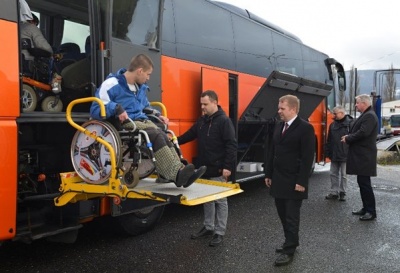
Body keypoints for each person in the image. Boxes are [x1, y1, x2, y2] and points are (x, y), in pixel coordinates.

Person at [90, 54, 205, 188]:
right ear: (140, 71)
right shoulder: (112, 84)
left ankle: (180, 170)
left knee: (163, 133)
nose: (148, 78)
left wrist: (157, 114)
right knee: (155, 135)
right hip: (125, 122)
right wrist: (116, 108)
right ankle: (175, 174)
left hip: (140, 120)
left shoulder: (139, 87)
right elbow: (96, 108)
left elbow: (145, 107)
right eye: (148, 74)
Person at [178, 90, 237, 247]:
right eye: (201, 104)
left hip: (219, 169)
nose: (202, 107)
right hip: (204, 168)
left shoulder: (224, 121)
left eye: (205, 104)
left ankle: (219, 232)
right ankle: (208, 227)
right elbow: (189, 135)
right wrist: (174, 141)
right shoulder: (202, 121)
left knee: (220, 200)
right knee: (207, 199)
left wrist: (227, 167)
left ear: (214, 102)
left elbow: (231, 144)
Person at [264, 95, 315, 266]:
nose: (279, 111)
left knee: (292, 216)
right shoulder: (279, 126)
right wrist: (268, 173)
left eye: (282, 108)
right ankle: (290, 241)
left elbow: (307, 158)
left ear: (293, 109)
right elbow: (273, 151)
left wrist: (302, 182)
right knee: (282, 214)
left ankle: (289, 250)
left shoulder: (305, 128)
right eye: (279, 108)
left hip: (294, 181)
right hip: (278, 179)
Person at [341, 94, 378, 221]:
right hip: (362, 155)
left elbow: (363, 133)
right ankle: (366, 207)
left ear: (364, 103)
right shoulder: (367, 115)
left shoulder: (369, 116)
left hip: (364, 156)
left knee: (365, 184)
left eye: (357, 103)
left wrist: (348, 138)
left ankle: (371, 211)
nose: (355, 105)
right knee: (362, 183)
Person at [324, 106, 353, 201]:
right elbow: (329, 139)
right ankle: (334, 192)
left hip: (345, 153)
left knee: (343, 174)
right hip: (335, 153)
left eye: (335, 113)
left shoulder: (350, 124)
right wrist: (328, 151)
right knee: (333, 173)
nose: (334, 115)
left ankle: (342, 192)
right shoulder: (332, 125)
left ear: (341, 113)